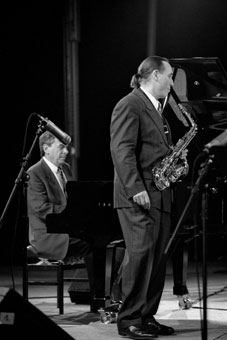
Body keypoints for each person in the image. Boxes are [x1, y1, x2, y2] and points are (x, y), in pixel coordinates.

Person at [110, 56, 189, 339]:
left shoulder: (158, 110)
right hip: (138, 196)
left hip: (160, 196)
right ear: (155, 75)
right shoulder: (130, 104)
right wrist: (136, 188)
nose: (171, 83)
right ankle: (129, 319)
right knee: (140, 256)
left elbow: (156, 154)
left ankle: (146, 316)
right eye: (169, 77)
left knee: (156, 259)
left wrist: (177, 163)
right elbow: (122, 150)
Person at [26, 130, 91, 267]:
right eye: (61, 147)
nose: (66, 152)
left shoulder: (66, 168)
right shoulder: (34, 173)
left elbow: (75, 198)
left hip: (68, 229)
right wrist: (72, 213)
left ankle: (92, 287)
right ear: (46, 149)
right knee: (90, 246)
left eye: (66, 147)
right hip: (48, 235)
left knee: (104, 240)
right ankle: (90, 287)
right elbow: (41, 209)